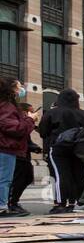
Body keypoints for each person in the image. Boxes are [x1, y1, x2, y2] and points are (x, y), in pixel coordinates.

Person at [36, 88, 84, 213]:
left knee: (60, 175)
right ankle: (76, 202)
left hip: (57, 147)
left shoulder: (52, 113)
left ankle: (60, 203)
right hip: (78, 147)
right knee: (79, 175)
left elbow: (43, 132)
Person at [0, 76, 36, 217]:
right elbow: (16, 129)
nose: (21, 89)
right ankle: (2, 207)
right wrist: (30, 119)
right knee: (4, 178)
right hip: (5, 147)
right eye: (18, 86)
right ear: (11, 89)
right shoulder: (6, 106)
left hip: (6, 147)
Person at [6, 102, 40, 216]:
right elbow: (18, 136)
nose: (34, 113)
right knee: (17, 180)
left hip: (24, 156)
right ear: (25, 112)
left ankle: (14, 201)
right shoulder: (19, 122)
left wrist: (34, 147)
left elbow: (27, 140)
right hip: (17, 156)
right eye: (31, 111)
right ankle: (11, 203)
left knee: (27, 178)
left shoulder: (25, 123)